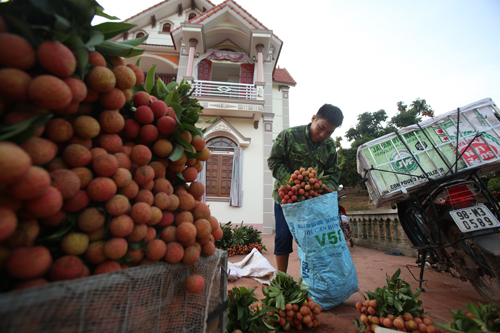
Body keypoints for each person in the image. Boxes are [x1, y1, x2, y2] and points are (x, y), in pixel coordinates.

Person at [267, 104, 344, 273]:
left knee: (312, 240)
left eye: (329, 132)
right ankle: (282, 278)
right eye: (321, 128)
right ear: (314, 118)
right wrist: (291, 181)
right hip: (286, 199)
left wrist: (327, 187)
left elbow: (333, 171)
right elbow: (274, 161)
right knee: (283, 237)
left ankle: (310, 280)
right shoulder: (289, 136)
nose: (323, 135)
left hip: (314, 201)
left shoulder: (329, 145)